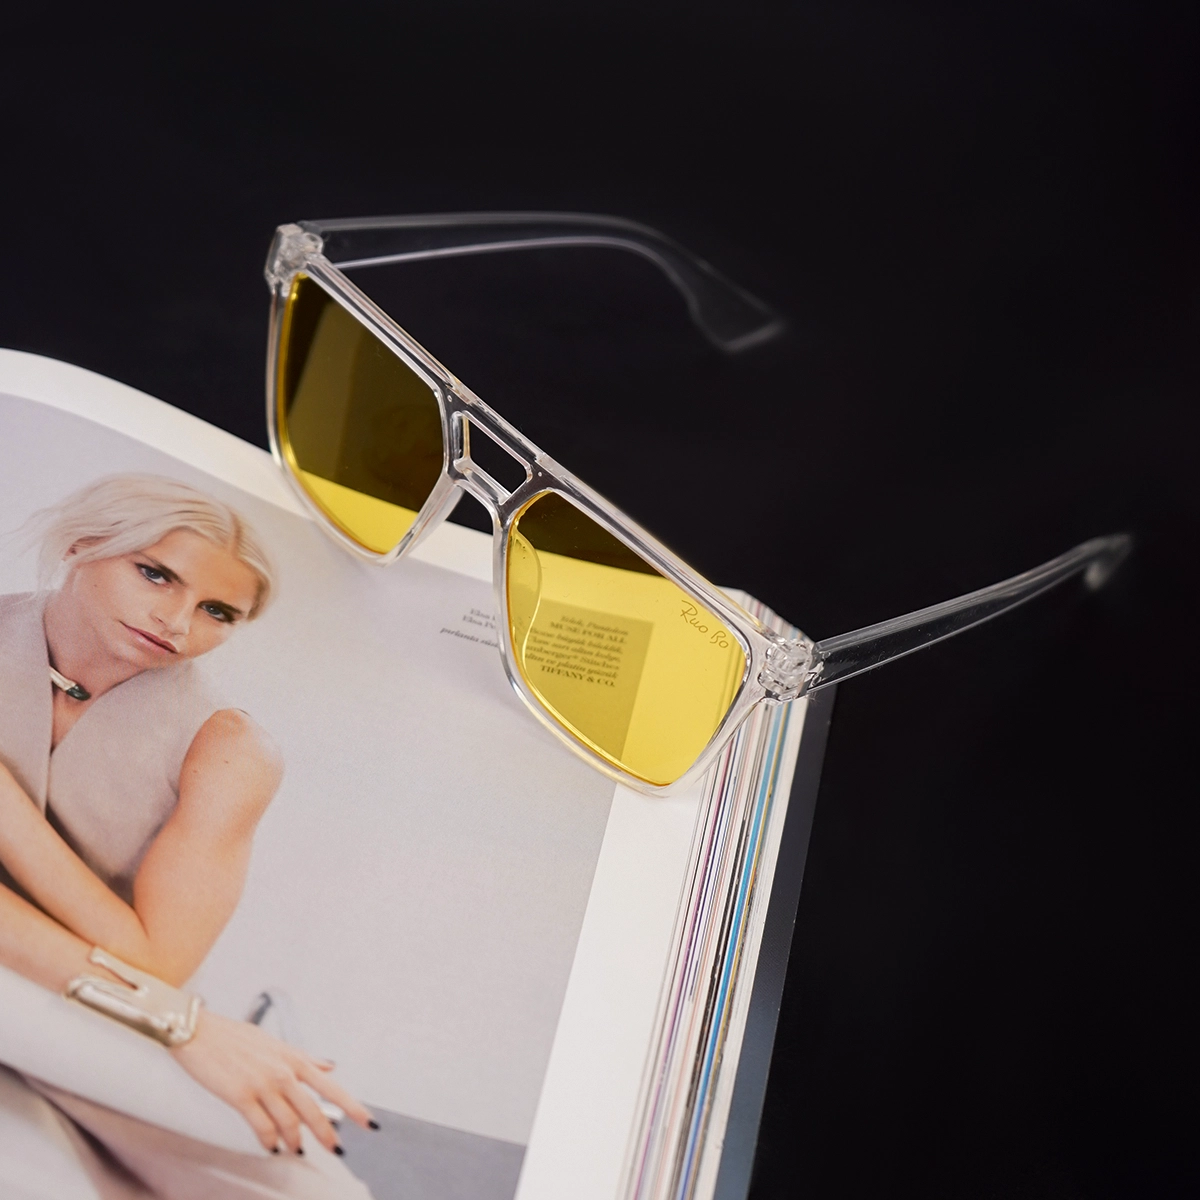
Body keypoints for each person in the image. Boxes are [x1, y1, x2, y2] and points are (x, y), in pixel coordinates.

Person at [0, 474, 374, 1199]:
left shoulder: (232, 751)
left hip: (109, 1005)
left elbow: (156, 962)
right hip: (126, 1006)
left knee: (314, 1189)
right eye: (155, 574)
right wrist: (179, 1023)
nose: (175, 621)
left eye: (216, 611)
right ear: (81, 545)